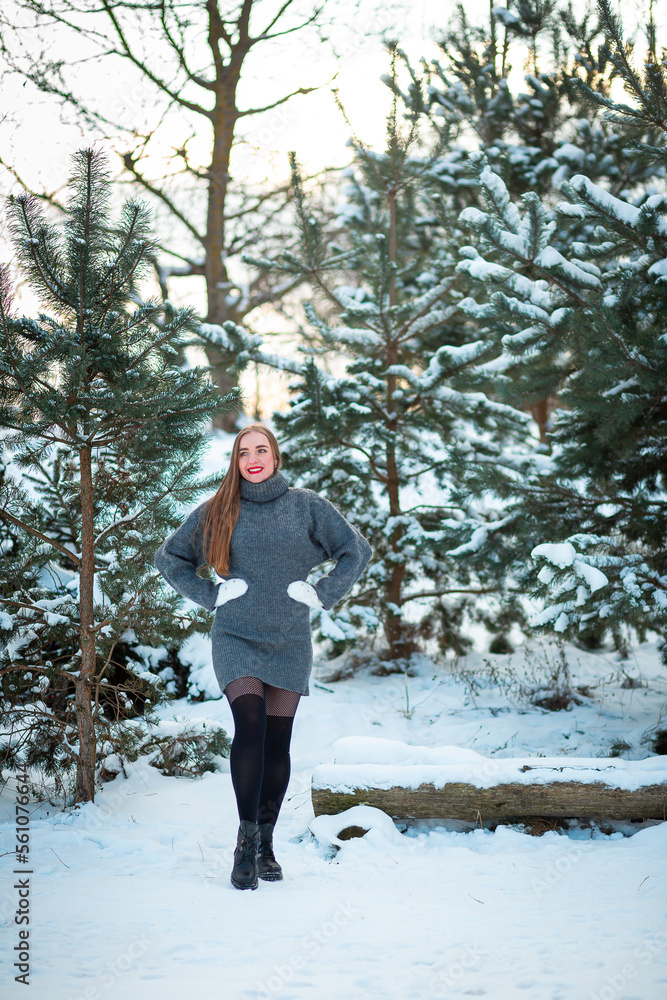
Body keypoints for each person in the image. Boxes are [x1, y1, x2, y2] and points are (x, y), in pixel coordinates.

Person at [153, 424, 372, 890]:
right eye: (243, 452)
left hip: (290, 641)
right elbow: (170, 557)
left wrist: (323, 592)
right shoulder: (218, 510)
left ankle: (267, 842)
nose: (253, 459)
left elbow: (356, 550)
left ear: (275, 456)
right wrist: (209, 595)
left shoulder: (307, 507)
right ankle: (245, 843)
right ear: (235, 461)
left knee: (278, 743)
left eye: (261, 450)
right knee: (250, 724)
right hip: (235, 636)